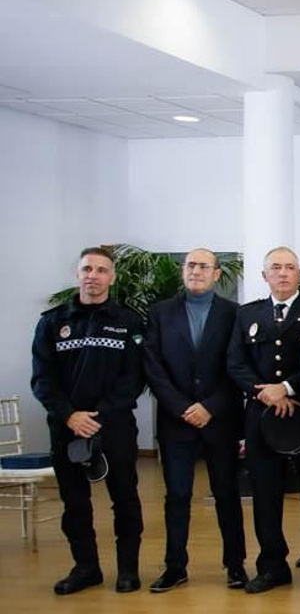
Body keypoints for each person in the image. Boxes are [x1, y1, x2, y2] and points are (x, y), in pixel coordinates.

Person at [31, 247, 145, 595]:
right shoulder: (52, 322)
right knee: (75, 502)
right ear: (77, 274)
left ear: (111, 277)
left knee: (125, 498)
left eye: (100, 270)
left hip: (114, 427)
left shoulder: (129, 322)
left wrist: (99, 415)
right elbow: (42, 379)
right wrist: (70, 415)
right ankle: (86, 568)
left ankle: (128, 570)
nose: (93, 275)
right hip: (67, 428)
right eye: (87, 269)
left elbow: (135, 377)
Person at [142, 247, 246, 592]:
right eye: (191, 265)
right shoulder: (160, 313)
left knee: (227, 494)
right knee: (177, 495)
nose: (196, 271)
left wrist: (211, 406)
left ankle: (235, 565)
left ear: (217, 274)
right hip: (177, 420)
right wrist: (182, 407)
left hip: (220, 419)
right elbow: (153, 367)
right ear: (183, 271)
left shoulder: (234, 314)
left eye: (204, 266)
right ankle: (175, 567)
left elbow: (238, 367)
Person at [228, 247, 300, 593]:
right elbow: (235, 363)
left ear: (299, 274)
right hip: (261, 415)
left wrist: (286, 388)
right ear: (264, 276)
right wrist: (266, 393)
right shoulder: (247, 315)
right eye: (276, 268)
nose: (283, 274)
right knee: (266, 494)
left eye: (289, 268)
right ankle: (272, 566)